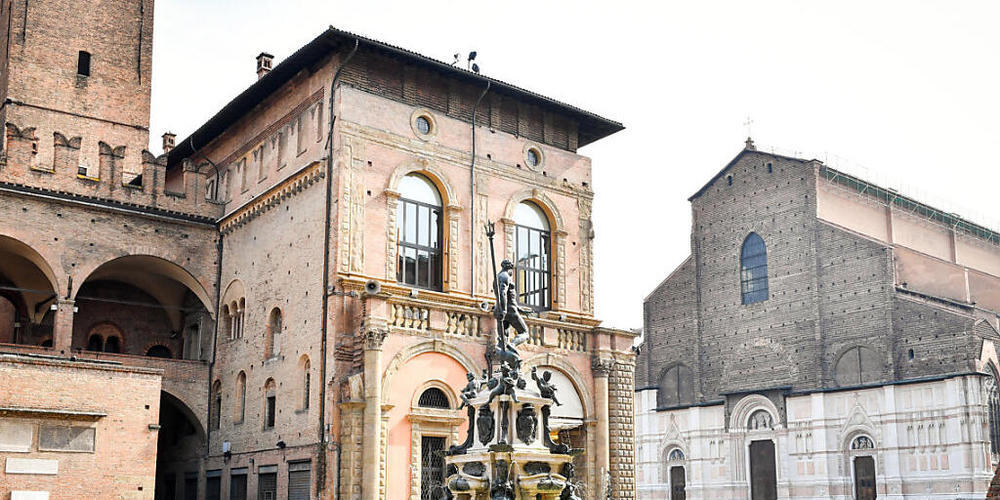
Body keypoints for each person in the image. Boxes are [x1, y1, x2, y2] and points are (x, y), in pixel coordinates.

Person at [494, 259, 530, 346]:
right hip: (509, 310)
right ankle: (512, 345)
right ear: (509, 267)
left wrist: (519, 309)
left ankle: (504, 352)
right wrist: (504, 310)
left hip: (500, 308)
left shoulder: (498, 276)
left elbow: (508, 296)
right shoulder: (505, 276)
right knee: (525, 333)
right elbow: (503, 293)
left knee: (503, 338)